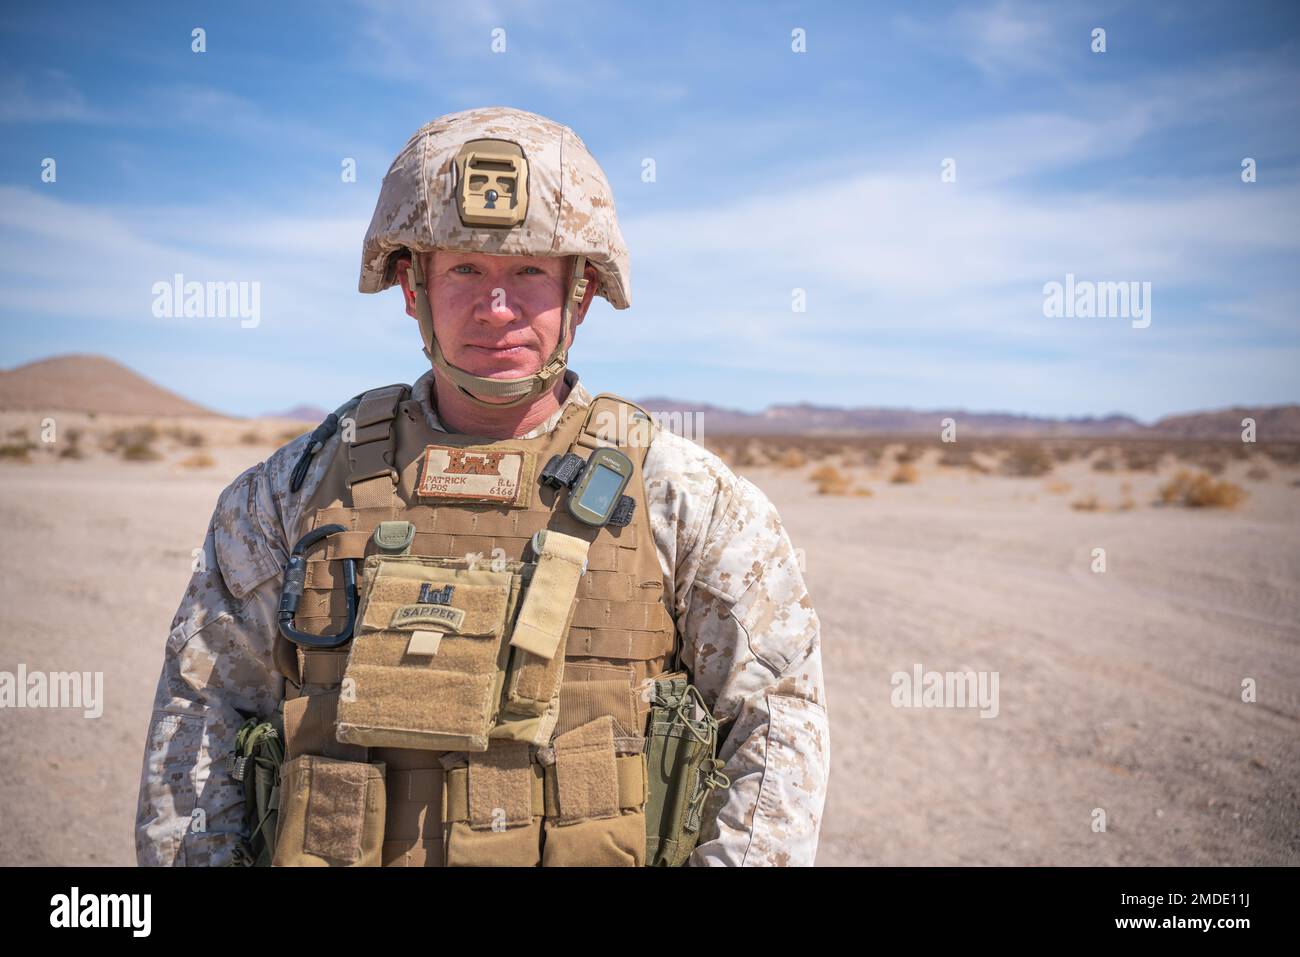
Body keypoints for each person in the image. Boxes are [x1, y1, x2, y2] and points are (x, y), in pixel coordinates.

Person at [134, 106, 829, 866]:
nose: (496, 308)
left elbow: (776, 722)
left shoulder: (682, 496)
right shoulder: (292, 492)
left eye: (529, 270)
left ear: (581, 292)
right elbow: (200, 719)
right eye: (465, 268)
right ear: (412, 285)